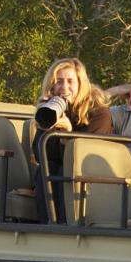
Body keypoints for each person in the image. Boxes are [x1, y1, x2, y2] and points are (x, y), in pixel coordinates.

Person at [33, 57, 112, 222]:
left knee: (64, 171)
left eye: (70, 81)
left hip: (91, 177)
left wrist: (68, 135)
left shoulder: (99, 113)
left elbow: (86, 159)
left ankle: (67, 225)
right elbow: (41, 156)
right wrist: (44, 123)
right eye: (59, 81)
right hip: (58, 176)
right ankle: (47, 227)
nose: (64, 88)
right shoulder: (54, 109)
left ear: (80, 84)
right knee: (45, 169)